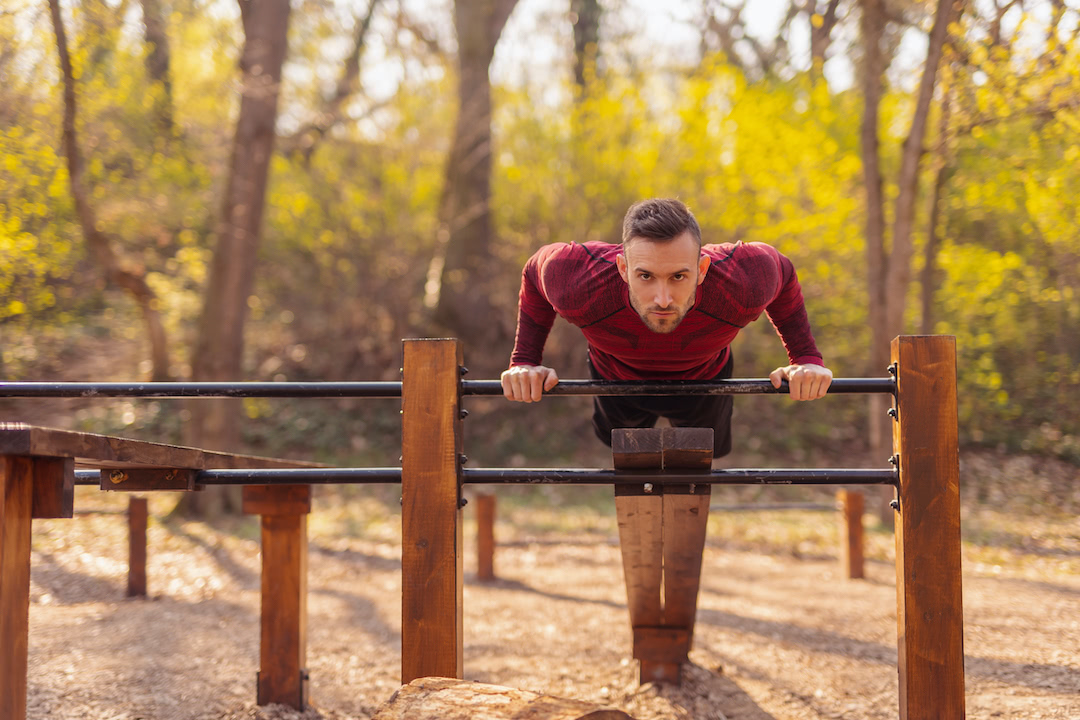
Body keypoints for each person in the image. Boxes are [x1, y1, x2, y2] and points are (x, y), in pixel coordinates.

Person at [500, 197, 832, 458]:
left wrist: (805, 358)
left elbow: (784, 274)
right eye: (645, 276)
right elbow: (533, 274)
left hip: (705, 380)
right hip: (616, 379)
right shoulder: (574, 277)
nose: (662, 299)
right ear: (622, 268)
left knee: (697, 465)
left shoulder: (744, 278)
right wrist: (525, 361)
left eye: (678, 277)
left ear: (702, 268)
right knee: (630, 467)